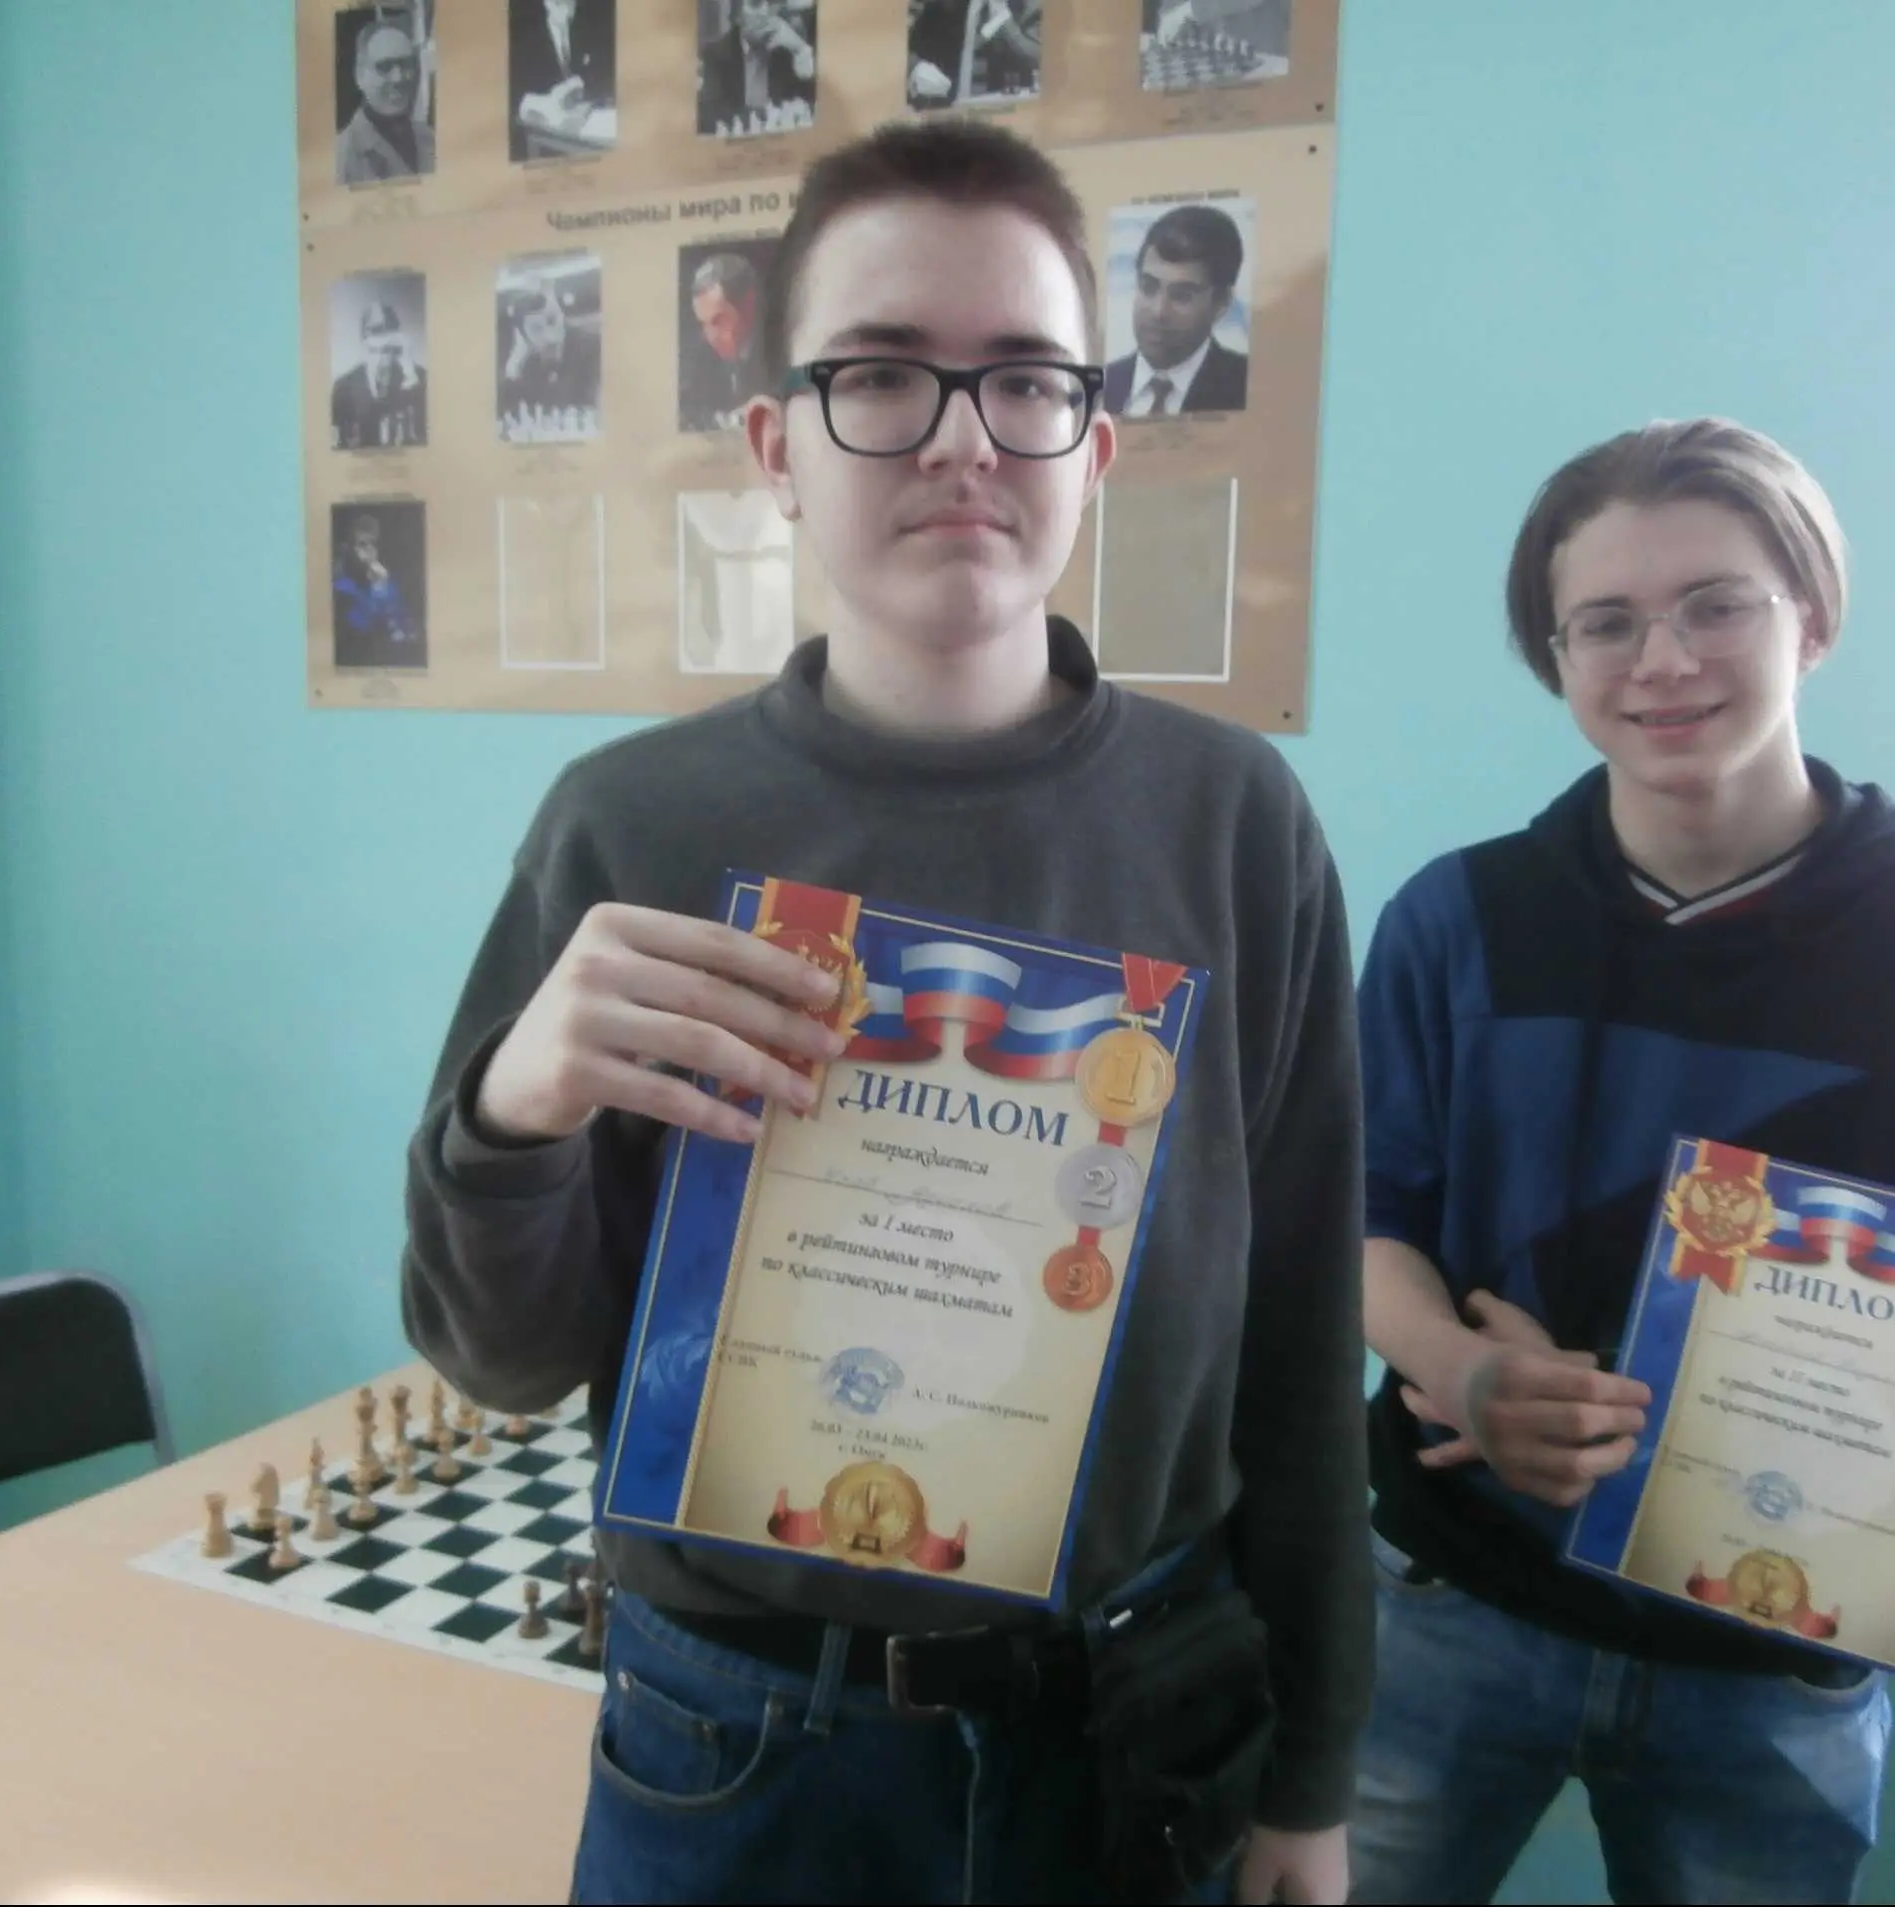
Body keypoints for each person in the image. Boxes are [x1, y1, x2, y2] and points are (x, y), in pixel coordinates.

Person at [401, 116, 1367, 1905]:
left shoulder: (1234, 825)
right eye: (882, 375)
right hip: (741, 1740)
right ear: (776, 445)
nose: (960, 439)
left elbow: (1303, 1345)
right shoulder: (631, 827)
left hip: (1131, 1739)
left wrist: (1313, 1771)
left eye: (1025, 381)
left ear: (1096, 441)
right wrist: (512, 1117)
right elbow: (504, 1360)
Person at [1347, 418, 1895, 1904]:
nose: (1662, 660)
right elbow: (1358, 1212)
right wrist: (1462, 1369)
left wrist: (1736, 1445)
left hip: (1772, 1648)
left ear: (1810, 620)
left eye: (1716, 605)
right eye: (1605, 622)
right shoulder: (1457, 918)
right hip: (1448, 1597)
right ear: (1556, 657)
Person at [1101, 203, 1249, 419]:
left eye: (1181, 296)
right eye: (1148, 287)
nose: (1158, 312)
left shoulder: (1245, 386)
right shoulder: (1102, 384)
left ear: (1221, 302)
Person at [510, 0, 617, 158]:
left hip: (582, 124)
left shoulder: (587, 13)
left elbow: (604, 63)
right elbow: (513, 93)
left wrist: (581, 82)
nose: (570, 7)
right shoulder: (521, 24)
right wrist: (540, 103)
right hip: (537, 137)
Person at [337, 12, 435, 184]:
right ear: (360, 76)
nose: (398, 78)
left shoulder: (430, 138)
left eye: (405, 64)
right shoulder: (341, 158)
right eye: (384, 66)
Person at [498, 279, 601, 439]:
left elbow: (587, 406)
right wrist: (513, 366)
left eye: (552, 321)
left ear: (561, 316)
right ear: (525, 337)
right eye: (536, 329)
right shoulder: (530, 364)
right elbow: (510, 416)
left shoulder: (594, 348)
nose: (548, 335)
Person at [697, 0, 816, 133]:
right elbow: (710, 114)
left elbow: (813, 107)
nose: (765, 12)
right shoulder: (716, 53)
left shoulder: (785, 51)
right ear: (738, 15)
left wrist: (800, 49)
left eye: (770, 4)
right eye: (755, 4)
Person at [679, 252, 763, 430]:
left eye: (718, 321)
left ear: (748, 305)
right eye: (703, 324)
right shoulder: (704, 359)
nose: (710, 336)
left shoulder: (781, 352)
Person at [332, 298, 428, 449]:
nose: (383, 360)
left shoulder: (420, 380)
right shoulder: (343, 387)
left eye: (389, 350)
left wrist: (411, 377)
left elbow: (427, 436)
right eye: (374, 350)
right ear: (363, 344)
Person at [908, 0, 1041, 106]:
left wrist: (1007, 27)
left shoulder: (1030, 5)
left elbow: (1042, 58)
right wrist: (914, 67)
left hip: (1006, 110)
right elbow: (899, 38)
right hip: (941, 111)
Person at [333, 513, 416, 663]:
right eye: (362, 544)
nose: (370, 550)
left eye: (373, 543)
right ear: (349, 549)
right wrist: (378, 588)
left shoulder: (387, 581)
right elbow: (363, 630)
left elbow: (405, 624)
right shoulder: (342, 586)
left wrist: (382, 586)